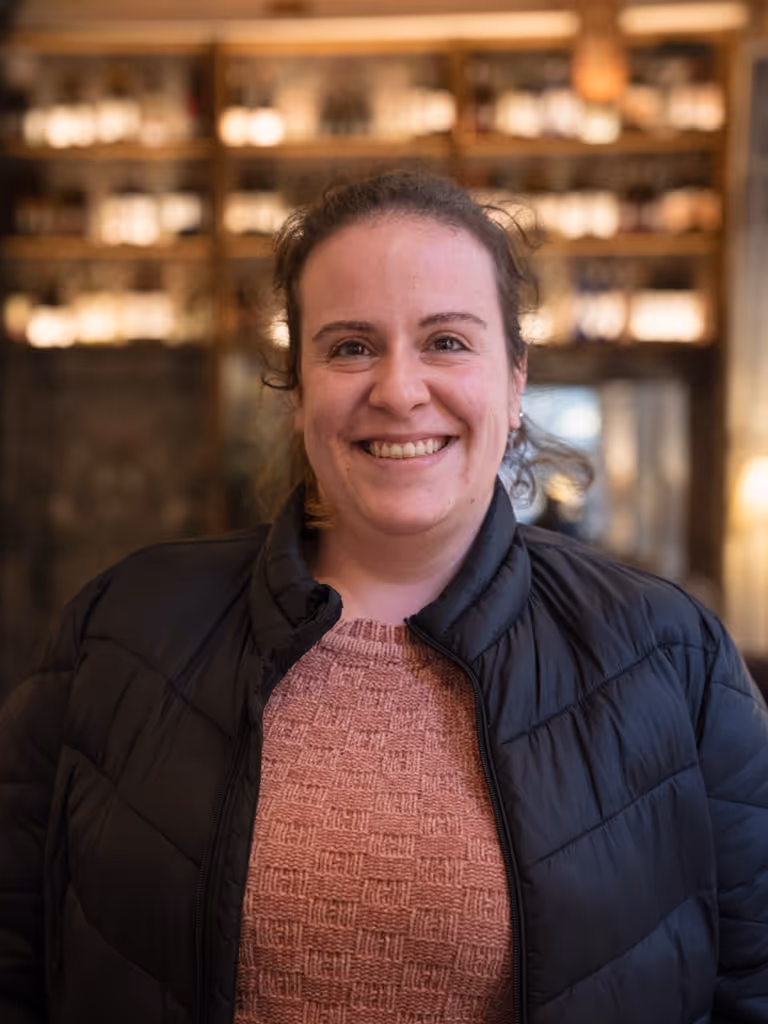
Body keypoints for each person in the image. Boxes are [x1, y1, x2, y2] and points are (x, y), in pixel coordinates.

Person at [1, 170, 767, 1024]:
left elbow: (754, 981)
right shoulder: (121, 630)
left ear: (515, 381)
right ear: (297, 391)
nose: (399, 391)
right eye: (351, 346)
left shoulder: (670, 652)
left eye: (446, 341)